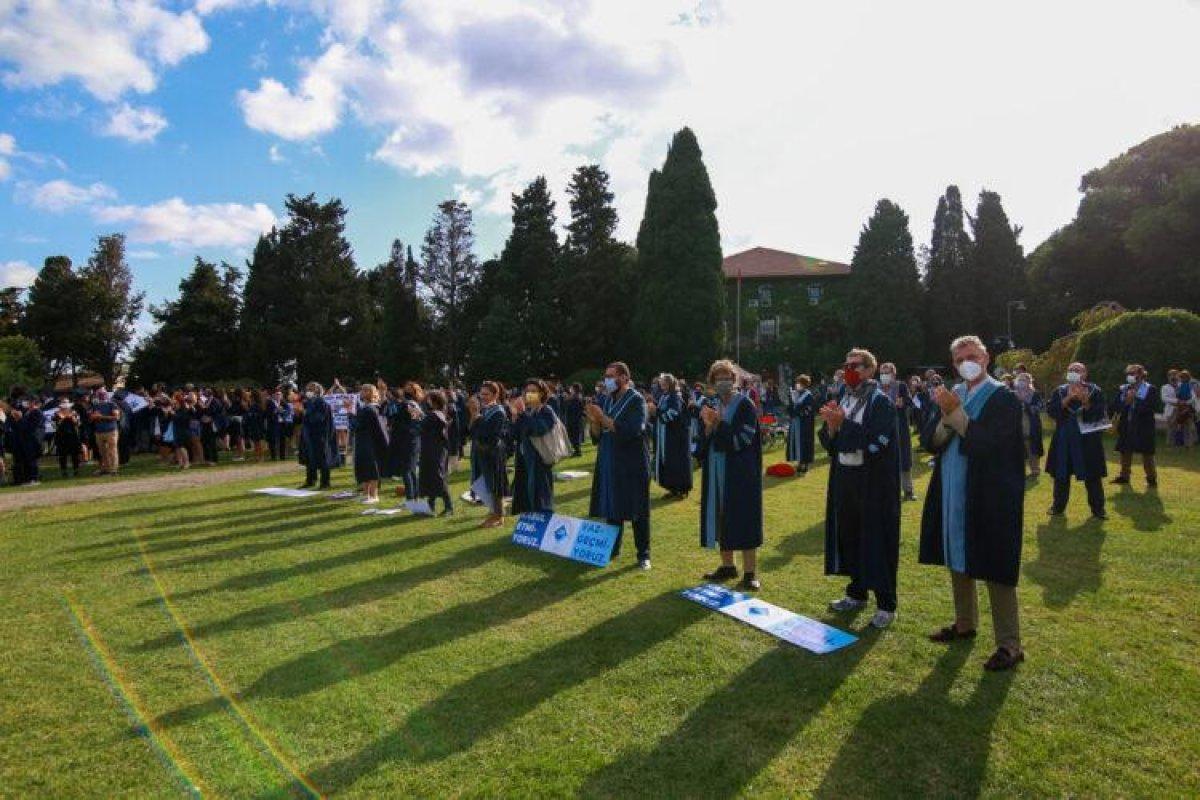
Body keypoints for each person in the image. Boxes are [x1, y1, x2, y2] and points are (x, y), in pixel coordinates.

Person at [919, 335, 1026, 671]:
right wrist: (945, 415)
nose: (967, 361)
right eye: (960, 358)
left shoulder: (1003, 398)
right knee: (956, 555)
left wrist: (958, 417)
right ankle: (965, 623)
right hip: (953, 489)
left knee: (994, 564)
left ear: (986, 358)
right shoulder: (956, 393)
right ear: (954, 364)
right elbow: (931, 442)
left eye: (972, 355)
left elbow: (993, 446)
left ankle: (1009, 645)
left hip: (988, 493)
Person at [819, 348, 901, 629]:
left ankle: (886, 604)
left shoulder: (880, 402)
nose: (850, 370)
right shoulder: (844, 397)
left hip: (873, 483)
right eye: (847, 365)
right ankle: (856, 593)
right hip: (846, 479)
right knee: (850, 536)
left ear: (870, 370)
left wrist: (843, 426)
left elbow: (878, 442)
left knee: (876, 540)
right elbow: (833, 443)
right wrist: (831, 428)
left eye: (856, 365)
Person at [696, 360, 764, 590]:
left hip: (740, 471)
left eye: (726, 377)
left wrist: (718, 424)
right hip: (716, 469)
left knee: (744, 517)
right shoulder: (710, 403)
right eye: (718, 377)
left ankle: (750, 573)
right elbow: (703, 440)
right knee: (720, 515)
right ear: (712, 382)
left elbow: (742, 440)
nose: (722, 381)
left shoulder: (745, 405)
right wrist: (707, 428)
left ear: (734, 379)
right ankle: (727, 566)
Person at [588, 361, 652, 570]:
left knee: (637, 510)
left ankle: (643, 554)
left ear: (624, 378)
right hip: (609, 461)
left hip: (632, 463)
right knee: (613, 507)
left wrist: (602, 419)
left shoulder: (636, 400)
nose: (607, 380)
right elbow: (597, 437)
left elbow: (632, 431)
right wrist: (594, 422)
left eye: (611, 375)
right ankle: (612, 548)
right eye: (605, 375)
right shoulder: (606, 400)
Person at [1046, 361, 1108, 519]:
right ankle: (1057, 507)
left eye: (1077, 370)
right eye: (1071, 370)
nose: (1074, 372)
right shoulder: (1060, 391)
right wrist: (1068, 398)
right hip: (1063, 439)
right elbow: (1052, 412)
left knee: (1092, 476)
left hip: (1088, 440)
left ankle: (1098, 510)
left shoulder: (1095, 391)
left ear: (1085, 374)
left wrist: (1085, 401)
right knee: (1061, 475)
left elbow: (1100, 415)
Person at [510, 379, 559, 514]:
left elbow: (539, 429)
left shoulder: (546, 410)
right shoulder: (528, 411)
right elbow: (514, 435)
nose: (529, 394)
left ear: (542, 393)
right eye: (527, 392)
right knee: (526, 495)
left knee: (541, 496)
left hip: (540, 460)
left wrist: (523, 414)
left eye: (533, 391)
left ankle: (543, 525)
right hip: (524, 460)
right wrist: (515, 418)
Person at [468, 381, 510, 528]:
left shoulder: (498, 411)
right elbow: (472, 433)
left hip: (493, 452)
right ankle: (494, 512)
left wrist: (476, 417)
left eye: (486, 394)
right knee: (488, 484)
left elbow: (489, 435)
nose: (483, 397)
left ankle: (499, 516)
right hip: (483, 452)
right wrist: (474, 416)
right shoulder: (485, 410)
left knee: (495, 485)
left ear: (495, 394)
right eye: (482, 394)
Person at [1111, 364, 1158, 488]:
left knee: (1147, 453)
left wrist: (1135, 399)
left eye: (1133, 373)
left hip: (1144, 426)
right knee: (1125, 451)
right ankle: (1124, 476)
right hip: (1126, 425)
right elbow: (1115, 406)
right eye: (1128, 374)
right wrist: (1126, 402)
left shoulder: (1150, 389)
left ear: (1141, 374)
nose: (1130, 376)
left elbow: (1150, 407)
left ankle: (1151, 478)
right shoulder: (1123, 389)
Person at [649, 373, 693, 499]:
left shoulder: (675, 396)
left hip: (676, 436)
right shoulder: (665, 396)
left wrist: (656, 411)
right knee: (668, 462)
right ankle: (672, 488)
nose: (661, 384)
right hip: (667, 435)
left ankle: (682, 489)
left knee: (677, 461)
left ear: (670, 383)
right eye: (661, 382)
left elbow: (673, 414)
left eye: (663, 382)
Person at [879, 362, 917, 500]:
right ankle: (886, 491)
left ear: (893, 374)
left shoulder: (900, 386)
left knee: (903, 458)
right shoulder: (876, 387)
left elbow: (910, 402)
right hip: (882, 429)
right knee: (882, 458)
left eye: (887, 372)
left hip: (899, 428)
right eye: (882, 373)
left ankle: (908, 491)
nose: (884, 376)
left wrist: (903, 403)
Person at [385, 383, 423, 499]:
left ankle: (410, 497)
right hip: (412, 439)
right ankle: (415, 495)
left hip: (407, 440)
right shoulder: (413, 404)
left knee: (407, 470)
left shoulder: (408, 404)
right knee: (411, 470)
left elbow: (414, 421)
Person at [419, 390, 454, 515]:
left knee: (437, 477)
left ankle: (449, 506)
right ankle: (430, 505)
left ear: (434, 401)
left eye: (429, 399)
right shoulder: (438, 413)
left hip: (434, 450)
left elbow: (422, 428)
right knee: (430, 476)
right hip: (432, 448)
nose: (427, 401)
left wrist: (417, 417)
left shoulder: (434, 415)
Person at [353, 384, 389, 503]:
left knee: (371, 468)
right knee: (363, 467)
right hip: (362, 441)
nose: (361, 393)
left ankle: (374, 495)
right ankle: (365, 494)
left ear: (368, 393)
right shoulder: (366, 407)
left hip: (369, 442)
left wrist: (351, 416)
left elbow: (360, 425)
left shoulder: (371, 409)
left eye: (363, 391)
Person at [299, 382, 336, 490]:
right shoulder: (309, 402)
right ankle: (310, 480)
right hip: (309, 434)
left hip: (319, 435)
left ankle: (325, 482)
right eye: (307, 389)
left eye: (310, 389)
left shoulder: (321, 402)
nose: (308, 391)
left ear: (316, 390)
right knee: (310, 458)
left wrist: (305, 413)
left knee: (322, 458)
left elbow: (319, 418)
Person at [1013, 372, 1044, 478]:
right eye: (1019, 380)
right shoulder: (1013, 394)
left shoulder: (1035, 394)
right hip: (1017, 424)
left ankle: (1035, 470)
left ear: (1029, 382)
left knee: (1033, 448)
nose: (1021, 382)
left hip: (1032, 425)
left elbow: (1038, 408)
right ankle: (1019, 471)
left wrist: (1024, 402)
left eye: (1024, 380)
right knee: (1018, 448)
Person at [786, 374, 816, 474]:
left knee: (804, 443)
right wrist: (790, 406)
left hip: (805, 424)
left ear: (804, 384)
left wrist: (798, 412)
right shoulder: (796, 394)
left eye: (798, 383)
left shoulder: (808, 396)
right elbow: (790, 408)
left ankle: (805, 464)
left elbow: (808, 410)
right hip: (796, 423)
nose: (796, 385)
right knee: (796, 443)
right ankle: (799, 463)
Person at [90, 388, 121, 476]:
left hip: (111, 431)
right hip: (99, 431)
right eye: (99, 394)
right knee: (102, 451)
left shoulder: (112, 404)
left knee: (112, 450)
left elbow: (116, 417)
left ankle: (114, 469)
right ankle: (106, 468)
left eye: (103, 394)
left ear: (106, 394)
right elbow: (91, 417)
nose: (101, 396)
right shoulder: (95, 405)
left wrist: (101, 417)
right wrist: (93, 417)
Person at [52, 399, 82, 477]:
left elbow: (78, 424)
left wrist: (72, 418)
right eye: (63, 406)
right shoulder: (56, 414)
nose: (65, 408)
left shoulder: (74, 413)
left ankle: (76, 470)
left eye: (67, 406)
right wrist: (62, 418)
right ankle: (64, 471)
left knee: (75, 454)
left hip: (73, 436)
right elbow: (54, 425)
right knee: (62, 455)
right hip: (61, 437)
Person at [564, 383, 586, 458]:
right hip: (572, 420)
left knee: (575, 436)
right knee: (572, 436)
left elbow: (579, 410)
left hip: (575, 421)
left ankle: (578, 451)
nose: (570, 389)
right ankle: (576, 450)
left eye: (572, 388)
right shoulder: (573, 397)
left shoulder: (577, 398)